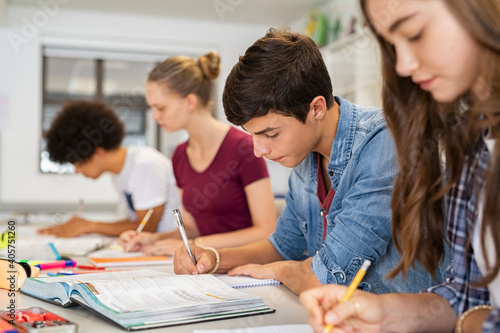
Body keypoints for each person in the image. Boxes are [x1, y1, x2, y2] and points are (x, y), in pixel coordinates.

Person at [173, 29, 448, 296]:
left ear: (316, 108)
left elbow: (330, 277)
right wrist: (214, 257)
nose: (258, 150)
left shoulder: (384, 142)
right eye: (253, 135)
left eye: (270, 133)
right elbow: (283, 246)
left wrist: (283, 271)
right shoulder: (305, 155)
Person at [300, 0, 500, 332]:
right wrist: (387, 312)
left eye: (415, 33)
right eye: (392, 45)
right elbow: (466, 295)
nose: (404, 64)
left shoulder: (376, 142)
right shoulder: (476, 144)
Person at [118, 51, 277, 255]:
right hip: (206, 266)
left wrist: (196, 245)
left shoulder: (245, 147)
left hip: (245, 266)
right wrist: (154, 239)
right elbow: (192, 228)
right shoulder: (179, 155)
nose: (155, 116)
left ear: (190, 102)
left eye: (160, 108)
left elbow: (266, 231)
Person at [38, 100, 181, 237]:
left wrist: (89, 226)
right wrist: (86, 225)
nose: (77, 171)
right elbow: (136, 222)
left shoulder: (145, 165)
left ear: (99, 152)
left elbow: (145, 228)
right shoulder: (119, 173)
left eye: (79, 164)